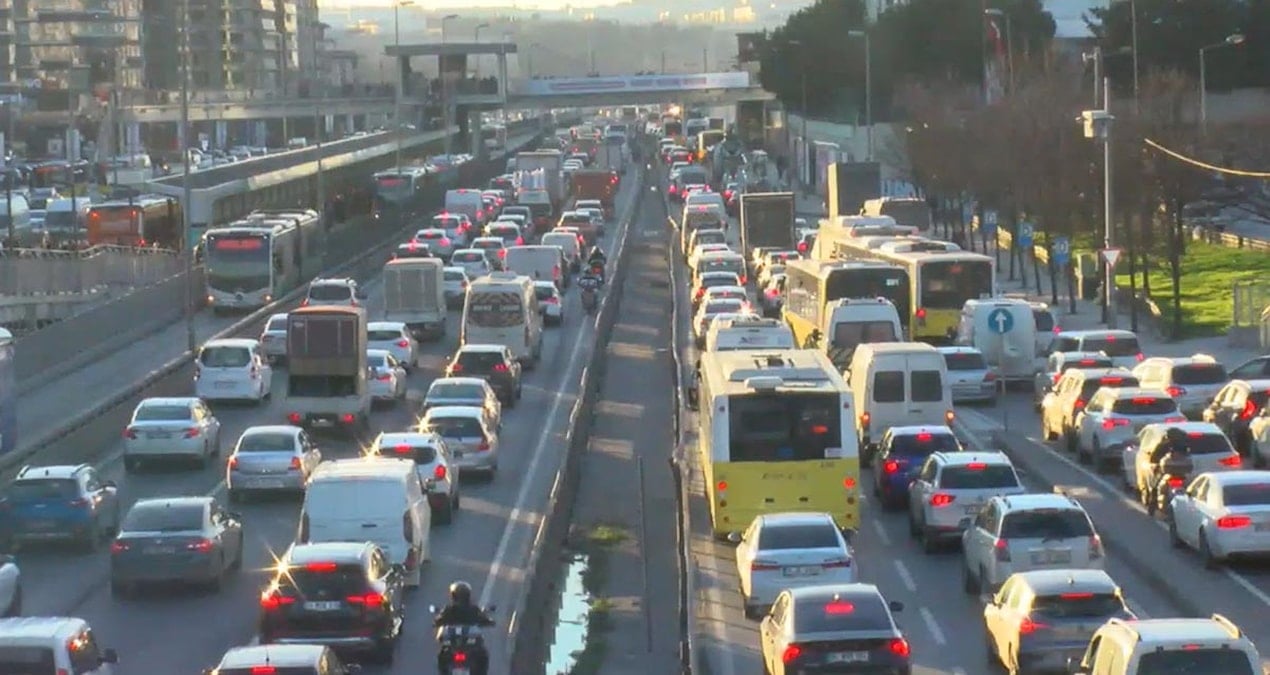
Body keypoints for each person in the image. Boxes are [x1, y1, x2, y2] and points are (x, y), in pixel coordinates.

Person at [434, 581, 494, 673]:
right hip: (456, 648)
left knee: (442, 655)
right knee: (483, 655)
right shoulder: (472, 609)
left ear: (453, 595)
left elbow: (438, 620)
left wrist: (437, 622)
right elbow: (484, 619)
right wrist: (489, 622)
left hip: (463, 649)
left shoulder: (449, 609)